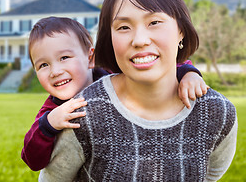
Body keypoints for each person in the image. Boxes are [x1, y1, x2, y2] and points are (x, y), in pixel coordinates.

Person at [39, 0, 237, 181]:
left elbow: (210, 175)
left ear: (181, 30)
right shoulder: (83, 114)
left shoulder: (217, 113)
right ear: (110, 38)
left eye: (154, 22)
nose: (140, 40)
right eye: (123, 27)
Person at [21, 16, 207, 171]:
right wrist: (49, 125)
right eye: (43, 65)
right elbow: (32, 160)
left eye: (64, 58)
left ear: (90, 58)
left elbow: (159, 68)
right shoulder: (52, 110)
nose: (55, 71)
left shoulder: (113, 75)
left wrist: (188, 74)